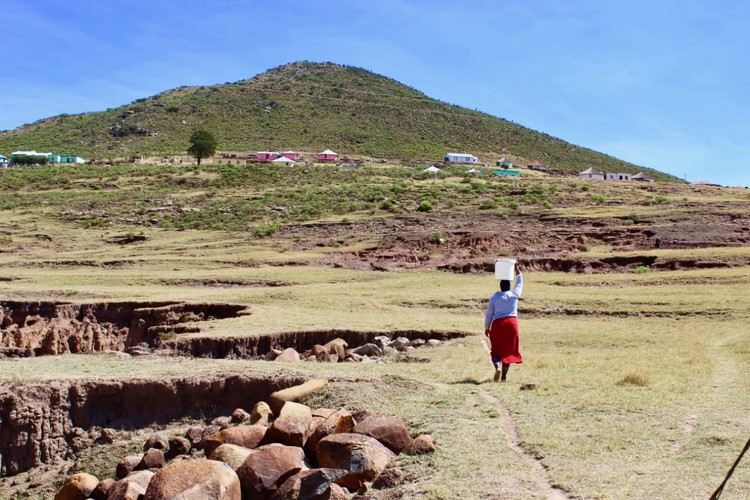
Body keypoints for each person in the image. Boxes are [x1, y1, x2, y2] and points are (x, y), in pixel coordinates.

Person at [484, 262, 523, 382]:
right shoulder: (514, 294)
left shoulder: (495, 297)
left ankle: (497, 366)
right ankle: (504, 377)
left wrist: (487, 327)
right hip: (511, 325)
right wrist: (517, 270)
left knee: (496, 349)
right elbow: (520, 282)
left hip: (497, 325)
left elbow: (489, 313)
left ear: (500, 287)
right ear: (508, 287)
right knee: (509, 351)